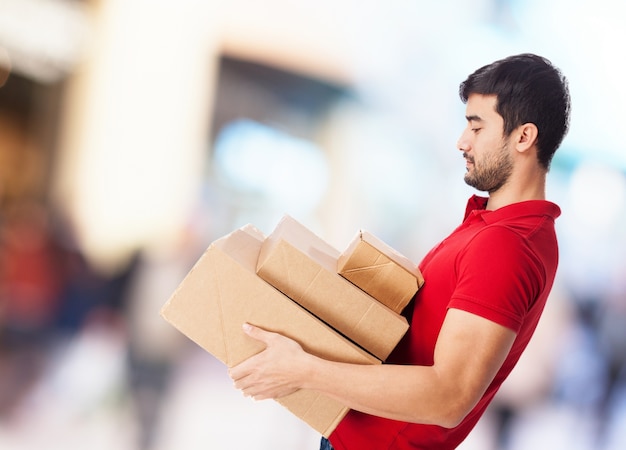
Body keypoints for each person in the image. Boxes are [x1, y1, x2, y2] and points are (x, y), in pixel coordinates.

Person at [228, 53, 571, 449]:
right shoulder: (498, 229)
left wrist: (303, 370)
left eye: (476, 128)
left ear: (524, 137)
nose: (462, 142)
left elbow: (448, 396)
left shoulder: (508, 245)